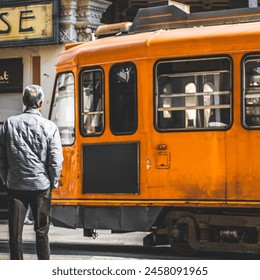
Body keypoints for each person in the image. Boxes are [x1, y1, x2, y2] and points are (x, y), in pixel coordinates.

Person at [0, 85, 63, 260]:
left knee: (15, 234)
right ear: (41, 104)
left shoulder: (9, 124)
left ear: (24, 102)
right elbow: (55, 159)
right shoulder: (50, 127)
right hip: (41, 187)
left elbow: (1, 157)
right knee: (42, 231)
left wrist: (6, 178)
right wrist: (53, 181)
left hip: (16, 186)